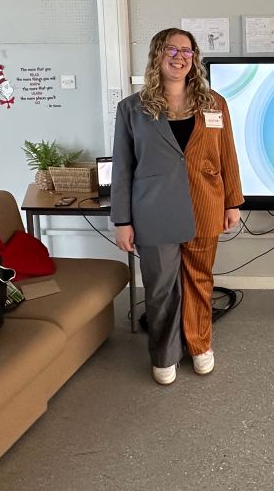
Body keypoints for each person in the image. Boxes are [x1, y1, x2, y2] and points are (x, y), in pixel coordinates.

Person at [111, 28, 243, 385]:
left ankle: (200, 345)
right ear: (157, 55)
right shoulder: (132, 109)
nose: (179, 55)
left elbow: (227, 156)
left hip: (205, 205)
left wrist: (233, 201)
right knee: (160, 286)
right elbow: (122, 168)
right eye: (170, 48)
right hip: (152, 211)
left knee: (200, 281)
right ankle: (165, 353)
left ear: (194, 57)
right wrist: (121, 220)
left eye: (186, 50)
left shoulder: (214, 103)